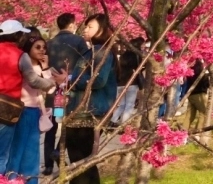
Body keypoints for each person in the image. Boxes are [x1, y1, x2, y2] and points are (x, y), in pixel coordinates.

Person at [65, 13, 117, 184]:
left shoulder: (101, 52)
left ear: (102, 30)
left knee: (82, 161)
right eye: (86, 26)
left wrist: (71, 80)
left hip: (89, 113)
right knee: (80, 160)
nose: (85, 30)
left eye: (90, 27)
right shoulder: (92, 51)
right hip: (81, 111)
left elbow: (98, 80)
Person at [10, 32, 67, 181]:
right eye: (38, 47)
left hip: (35, 112)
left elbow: (52, 89)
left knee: (32, 150)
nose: (42, 50)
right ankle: (11, 179)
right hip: (23, 111)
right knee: (18, 148)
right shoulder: (24, 66)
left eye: (44, 47)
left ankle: (30, 180)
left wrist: (46, 67)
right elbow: (42, 84)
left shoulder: (44, 68)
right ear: (28, 48)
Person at [44, 13, 89, 176]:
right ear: (72, 25)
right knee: (67, 123)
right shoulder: (79, 42)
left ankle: (48, 165)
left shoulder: (50, 43)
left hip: (54, 91)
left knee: (52, 126)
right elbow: (87, 62)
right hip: (70, 90)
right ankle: (58, 151)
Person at [0, 19, 31, 176]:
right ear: (18, 36)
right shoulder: (21, 55)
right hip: (6, 109)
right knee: (1, 154)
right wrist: (49, 83)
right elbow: (33, 79)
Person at [111, 37, 143, 127]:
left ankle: (112, 122)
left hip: (120, 82)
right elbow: (139, 69)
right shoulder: (136, 56)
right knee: (129, 106)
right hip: (131, 83)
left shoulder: (123, 55)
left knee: (121, 105)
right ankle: (123, 125)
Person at [184, 58, 211, 134]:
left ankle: (183, 130)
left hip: (191, 94)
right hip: (199, 95)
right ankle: (198, 132)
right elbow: (207, 84)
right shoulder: (203, 74)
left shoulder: (190, 73)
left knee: (190, 114)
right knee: (203, 113)